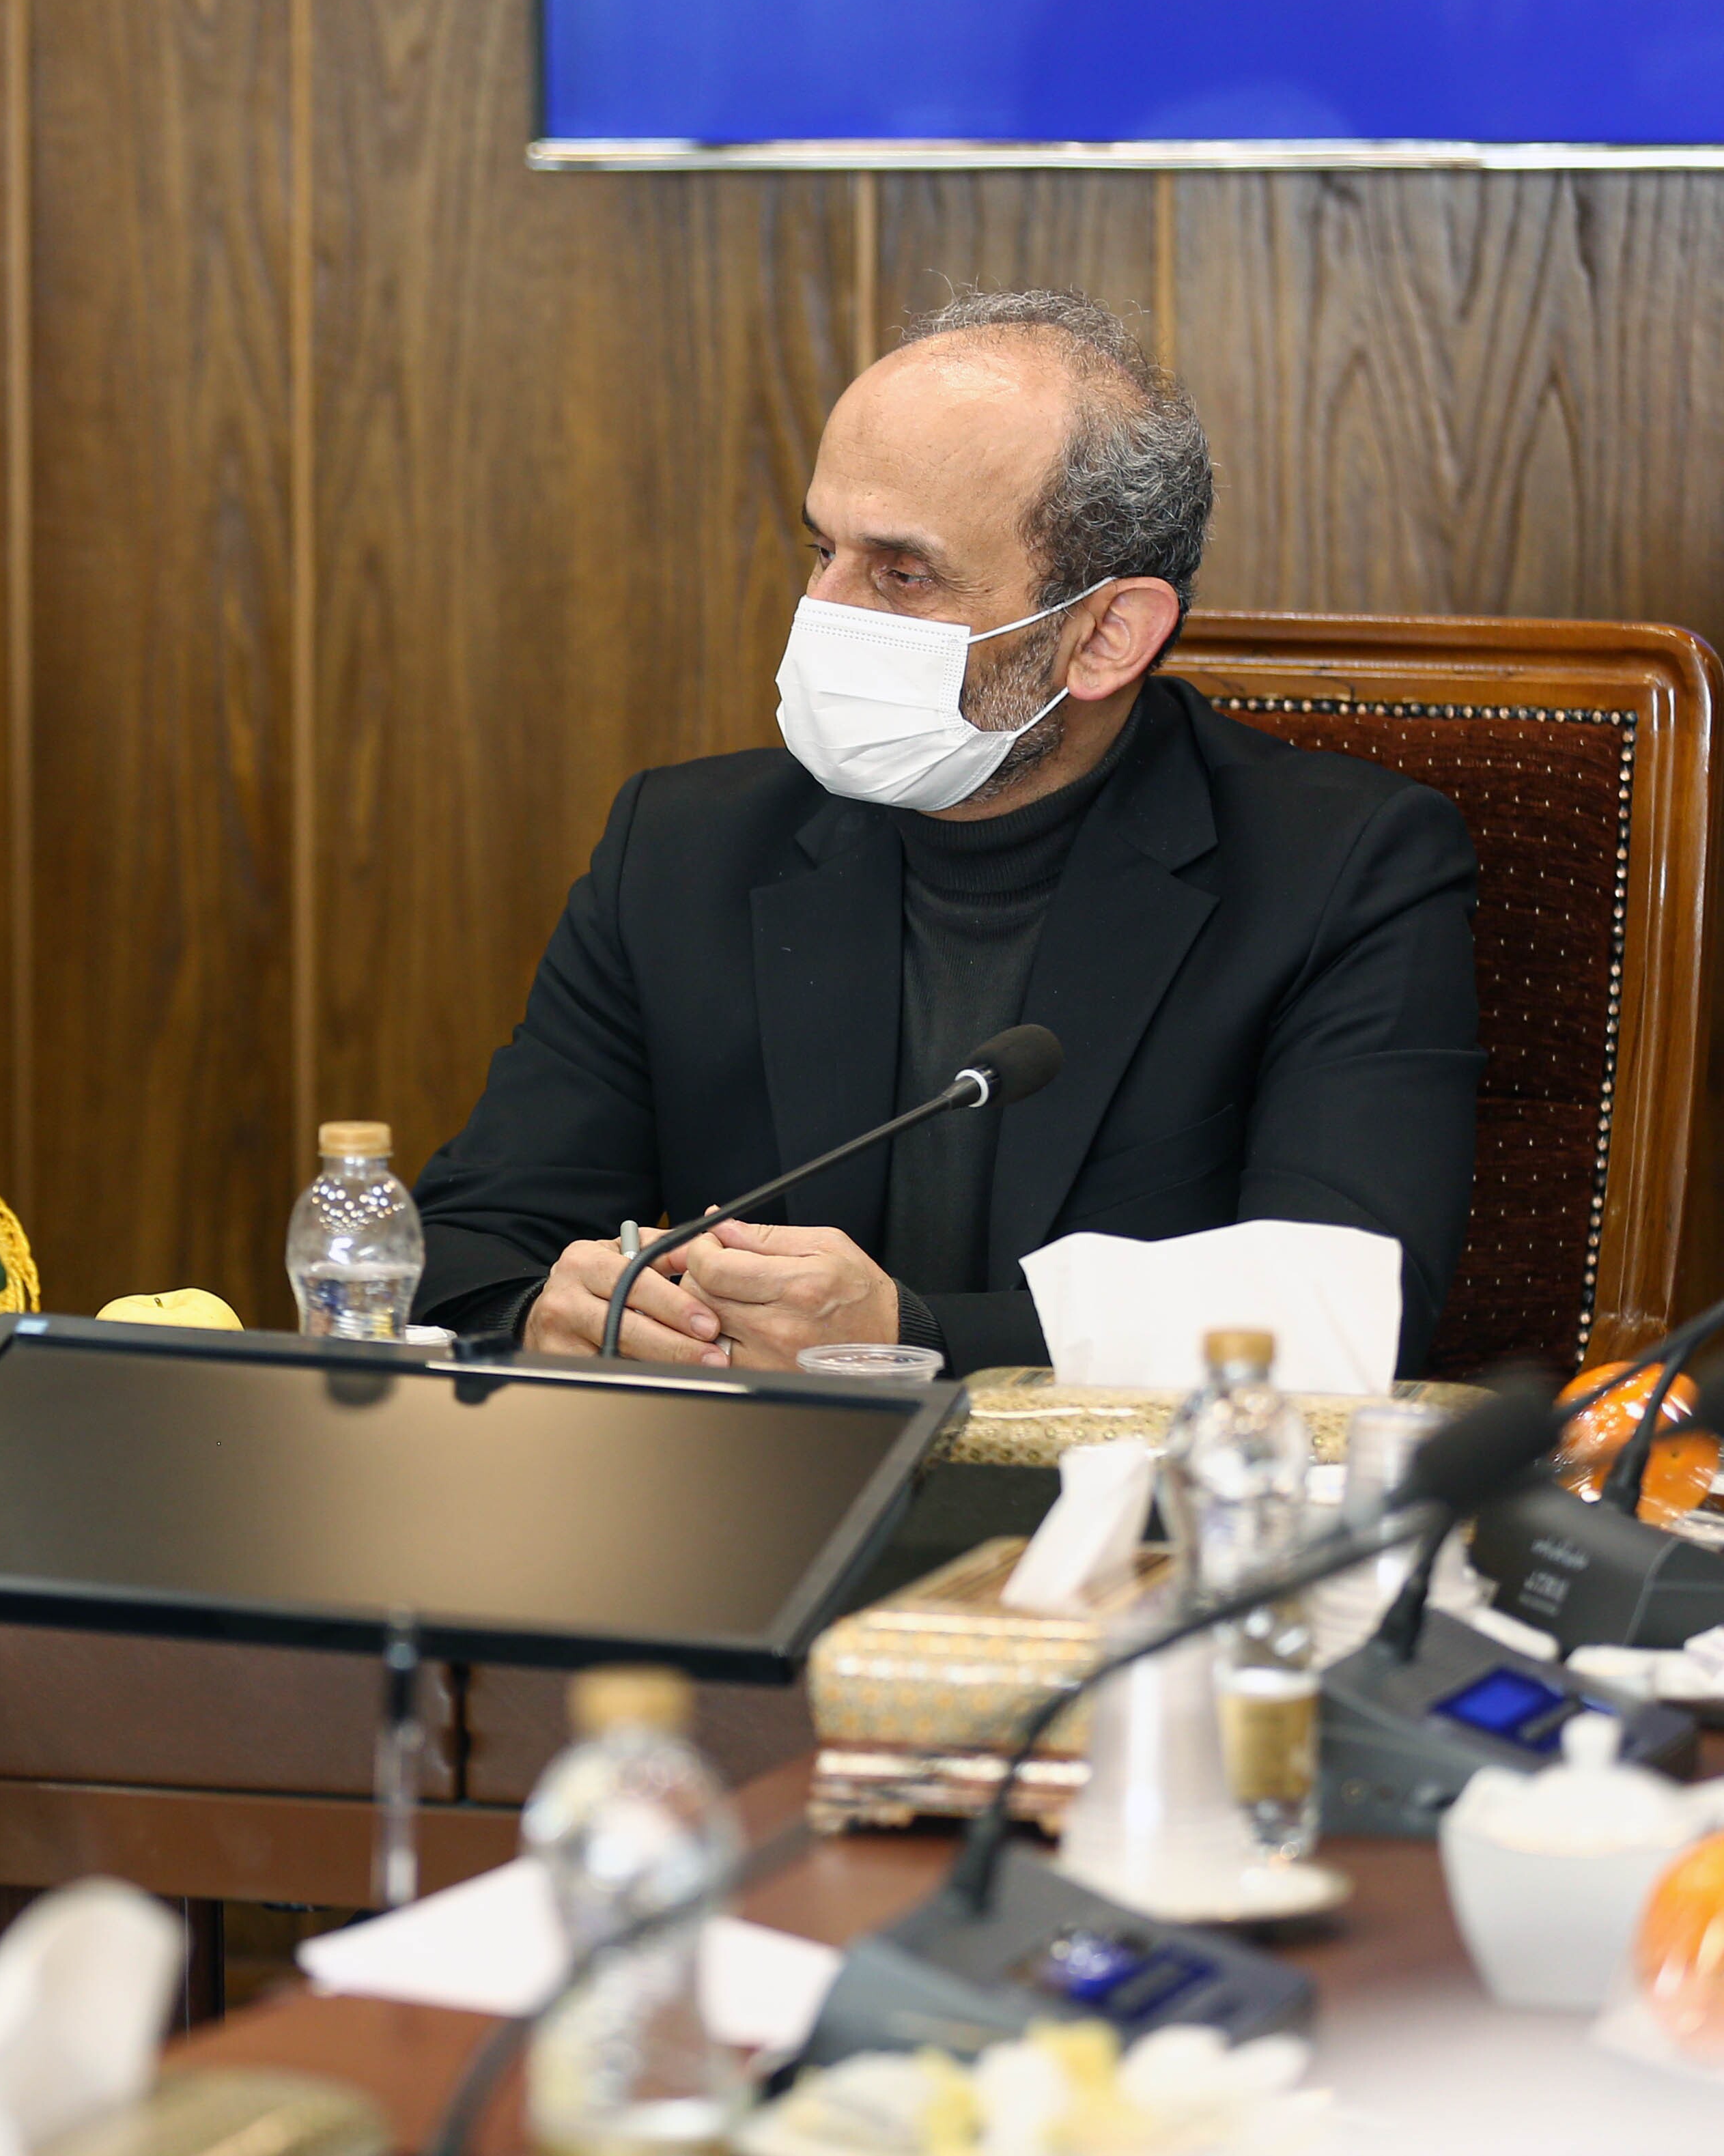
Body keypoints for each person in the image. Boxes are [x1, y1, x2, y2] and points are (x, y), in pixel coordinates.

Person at [412, 290, 1480, 1380]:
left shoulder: (1341, 869)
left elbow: (1343, 1307)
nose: (825, 610)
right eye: (822, 550)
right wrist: (547, 1311)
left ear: (1106, 635)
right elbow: (463, 1245)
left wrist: (912, 1335)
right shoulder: (683, 850)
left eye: (902, 573)